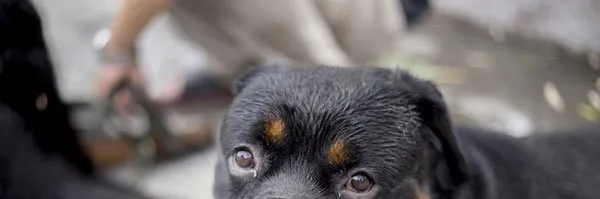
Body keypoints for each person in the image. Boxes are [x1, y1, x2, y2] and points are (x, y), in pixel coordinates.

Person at [95, 0, 430, 106]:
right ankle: (240, 72)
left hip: (387, 10)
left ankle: (306, 76)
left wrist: (118, 52)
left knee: (330, 91)